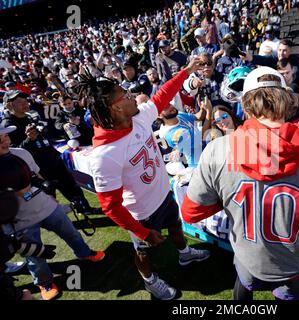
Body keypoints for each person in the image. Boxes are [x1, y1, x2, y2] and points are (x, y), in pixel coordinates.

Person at [181, 67, 299, 300]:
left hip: (250, 258)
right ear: (288, 103)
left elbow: (191, 212)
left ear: (244, 106)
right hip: (296, 261)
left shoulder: (218, 150)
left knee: (245, 285)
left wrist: (229, 198)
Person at [79, 57, 210, 301]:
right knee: (143, 253)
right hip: (141, 213)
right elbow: (110, 206)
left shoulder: (136, 118)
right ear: (115, 108)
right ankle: (150, 281)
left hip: (163, 194)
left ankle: (184, 253)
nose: (131, 95)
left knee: (175, 225)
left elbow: (162, 95)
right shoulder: (105, 154)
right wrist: (142, 231)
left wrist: (187, 71)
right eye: (124, 94)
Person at [0, 125, 105, 300]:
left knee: (71, 233)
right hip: (20, 220)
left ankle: (85, 254)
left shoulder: (22, 153)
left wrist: (49, 194)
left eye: (5, 135)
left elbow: (37, 176)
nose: (4, 139)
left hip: (46, 206)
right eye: (0, 137)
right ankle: (44, 282)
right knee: (34, 256)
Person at [0, 90, 100, 214]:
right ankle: (59, 221)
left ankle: (85, 209)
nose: (25, 104)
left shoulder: (31, 115)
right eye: (20, 102)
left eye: (25, 101)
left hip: (52, 159)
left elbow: (48, 134)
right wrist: (29, 139)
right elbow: (14, 153)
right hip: (38, 169)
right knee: (48, 198)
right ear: (9, 105)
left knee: (71, 187)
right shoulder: (8, 126)